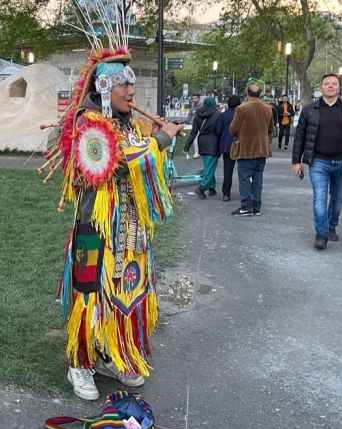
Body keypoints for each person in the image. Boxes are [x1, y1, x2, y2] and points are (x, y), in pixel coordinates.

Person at [41, 39, 182, 401]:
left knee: (127, 290)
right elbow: (118, 163)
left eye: (132, 85)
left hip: (131, 229)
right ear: (104, 86)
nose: (131, 92)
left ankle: (112, 354)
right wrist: (160, 141)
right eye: (123, 85)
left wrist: (159, 147)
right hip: (97, 228)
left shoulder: (131, 125)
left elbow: (145, 170)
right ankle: (80, 363)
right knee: (91, 293)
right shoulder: (88, 124)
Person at [292, 73, 342, 250]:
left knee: (337, 200)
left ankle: (331, 226)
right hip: (318, 162)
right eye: (327, 83)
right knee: (320, 199)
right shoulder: (309, 110)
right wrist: (296, 161)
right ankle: (321, 234)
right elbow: (300, 136)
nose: (330, 86)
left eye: (334, 84)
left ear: (339, 87)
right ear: (321, 87)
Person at [229, 83, 274, 216]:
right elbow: (271, 129)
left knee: (244, 179)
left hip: (246, 149)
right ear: (260, 94)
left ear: (247, 93)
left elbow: (233, 129)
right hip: (262, 149)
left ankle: (246, 207)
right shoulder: (268, 108)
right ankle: (256, 207)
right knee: (258, 179)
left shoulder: (241, 108)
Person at [185, 97, 220, 199]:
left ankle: (212, 187)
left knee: (208, 165)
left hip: (202, 142)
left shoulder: (198, 115)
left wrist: (187, 146)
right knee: (210, 167)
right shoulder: (217, 115)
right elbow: (220, 130)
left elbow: (193, 132)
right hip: (214, 143)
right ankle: (202, 187)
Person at [213, 95, 241, 202]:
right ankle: (245, 192)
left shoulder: (223, 116)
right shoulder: (242, 115)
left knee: (228, 171)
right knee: (243, 171)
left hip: (227, 146)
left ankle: (226, 193)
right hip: (241, 145)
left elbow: (218, 131)